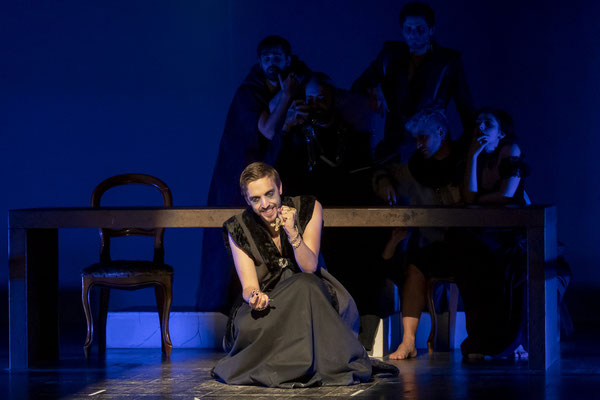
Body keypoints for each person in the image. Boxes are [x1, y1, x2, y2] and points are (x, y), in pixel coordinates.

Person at [212, 162, 393, 387]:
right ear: (247, 200)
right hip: (271, 303)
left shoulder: (308, 208)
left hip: (311, 296)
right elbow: (249, 286)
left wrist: (292, 232)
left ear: (280, 188)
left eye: (269, 194)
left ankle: (303, 364)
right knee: (249, 326)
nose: (265, 204)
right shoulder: (237, 227)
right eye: (256, 199)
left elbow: (309, 266)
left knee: (305, 284)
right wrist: (255, 298)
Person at [199, 36, 310, 312]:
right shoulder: (250, 92)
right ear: (259, 62)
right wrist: (286, 97)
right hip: (241, 180)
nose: (272, 63)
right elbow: (268, 130)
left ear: (288, 59)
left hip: (271, 178)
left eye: (277, 58)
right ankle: (227, 310)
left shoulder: (297, 81)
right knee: (234, 243)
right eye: (266, 58)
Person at [373, 108, 465, 360]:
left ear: (441, 132)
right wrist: (383, 181)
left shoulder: (462, 163)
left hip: (466, 240)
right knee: (415, 268)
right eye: (416, 139)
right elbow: (385, 170)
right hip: (435, 243)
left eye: (423, 137)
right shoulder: (416, 166)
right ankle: (409, 341)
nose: (419, 144)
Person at [352, 2, 473, 162]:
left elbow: (466, 109)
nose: (414, 35)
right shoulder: (390, 55)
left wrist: (467, 151)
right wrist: (374, 88)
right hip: (394, 147)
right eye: (408, 29)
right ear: (402, 30)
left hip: (431, 148)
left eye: (420, 29)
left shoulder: (448, 61)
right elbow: (358, 87)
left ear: (431, 30)